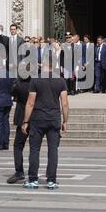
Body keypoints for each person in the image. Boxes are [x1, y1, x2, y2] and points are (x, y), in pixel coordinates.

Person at [21, 61, 69, 190]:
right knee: (53, 150)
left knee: (34, 150)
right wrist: (65, 121)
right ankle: (51, 181)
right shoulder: (60, 81)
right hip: (54, 118)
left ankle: (33, 180)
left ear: (44, 65)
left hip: (38, 119)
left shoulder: (35, 80)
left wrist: (25, 121)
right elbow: (64, 103)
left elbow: (30, 103)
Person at [7, 72, 31, 184]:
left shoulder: (19, 84)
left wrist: (17, 79)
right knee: (34, 147)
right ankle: (32, 172)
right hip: (35, 117)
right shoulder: (35, 82)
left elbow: (12, 91)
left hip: (22, 117)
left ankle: (19, 171)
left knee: (18, 145)